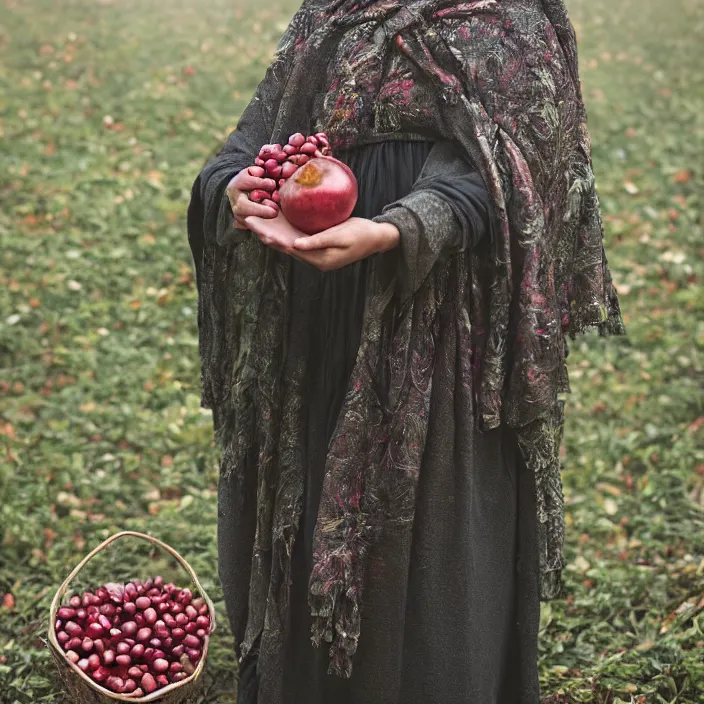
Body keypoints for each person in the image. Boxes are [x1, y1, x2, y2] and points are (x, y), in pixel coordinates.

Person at [187, 2, 624, 703]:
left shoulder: (507, 19)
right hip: (319, 315)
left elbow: (517, 171)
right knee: (314, 487)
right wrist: (237, 183)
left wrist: (401, 229)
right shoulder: (334, 11)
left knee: (423, 536)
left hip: (441, 319)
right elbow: (264, 130)